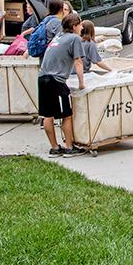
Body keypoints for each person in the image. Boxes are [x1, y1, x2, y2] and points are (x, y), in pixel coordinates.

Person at [38, 13, 87, 158]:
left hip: (42, 78)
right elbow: (78, 62)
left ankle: (54, 148)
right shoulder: (74, 38)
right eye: (80, 25)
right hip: (56, 81)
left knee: (48, 115)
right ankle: (69, 147)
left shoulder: (58, 36)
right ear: (74, 27)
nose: (82, 27)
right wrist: (81, 83)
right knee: (66, 115)